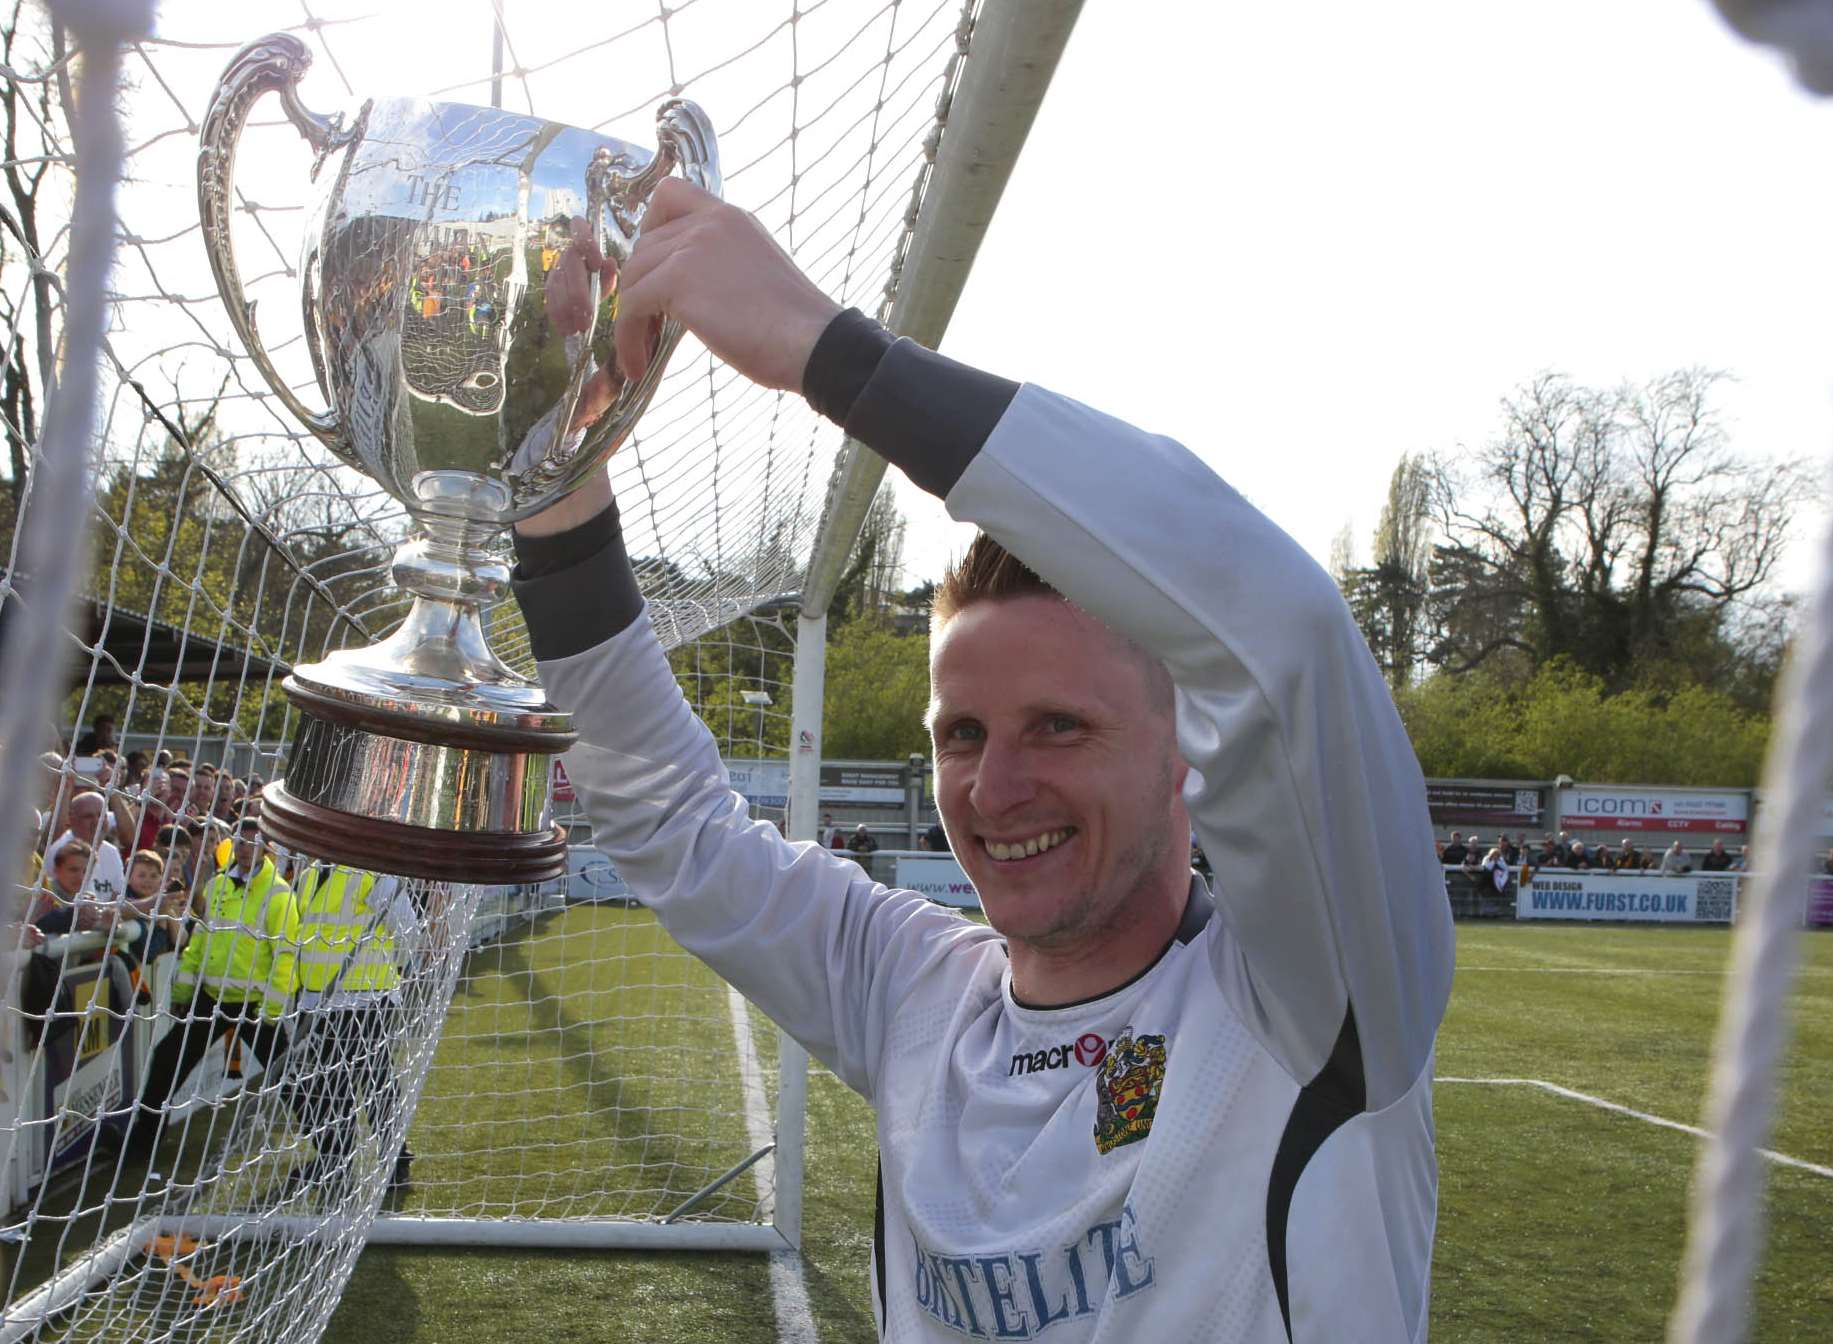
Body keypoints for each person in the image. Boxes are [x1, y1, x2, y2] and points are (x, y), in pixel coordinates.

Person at [506, 179, 1452, 1340]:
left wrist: (826, 350)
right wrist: (553, 468)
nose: (996, 790)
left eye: (1061, 725)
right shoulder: (917, 995)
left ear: (1188, 757)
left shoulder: (1315, 1005)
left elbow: (1285, 635)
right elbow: (672, 824)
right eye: (963, 734)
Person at [128, 814, 298, 1157]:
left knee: (289, 1077)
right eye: (240, 842)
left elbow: (286, 955)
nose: (246, 850)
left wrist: (273, 1009)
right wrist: (183, 992)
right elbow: (201, 942)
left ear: (265, 849)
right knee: (165, 1060)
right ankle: (139, 1147)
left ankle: (332, 1147)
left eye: (253, 843)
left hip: (254, 1005)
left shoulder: (279, 894)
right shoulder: (217, 885)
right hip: (211, 999)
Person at [286, 860, 420, 1195]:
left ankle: (395, 1161)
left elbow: (408, 930)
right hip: (318, 1002)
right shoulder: (307, 877)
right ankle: (336, 1159)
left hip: (365, 999)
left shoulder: (374, 873)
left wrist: (386, 976)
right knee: (328, 1085)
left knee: (373, 1082)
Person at [45, 791, 128, 909]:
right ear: (71, 820)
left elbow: (117, 900)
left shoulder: (111, 851)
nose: (97, 821)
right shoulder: (61, 849)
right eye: (88, 816)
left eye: (101, 815)